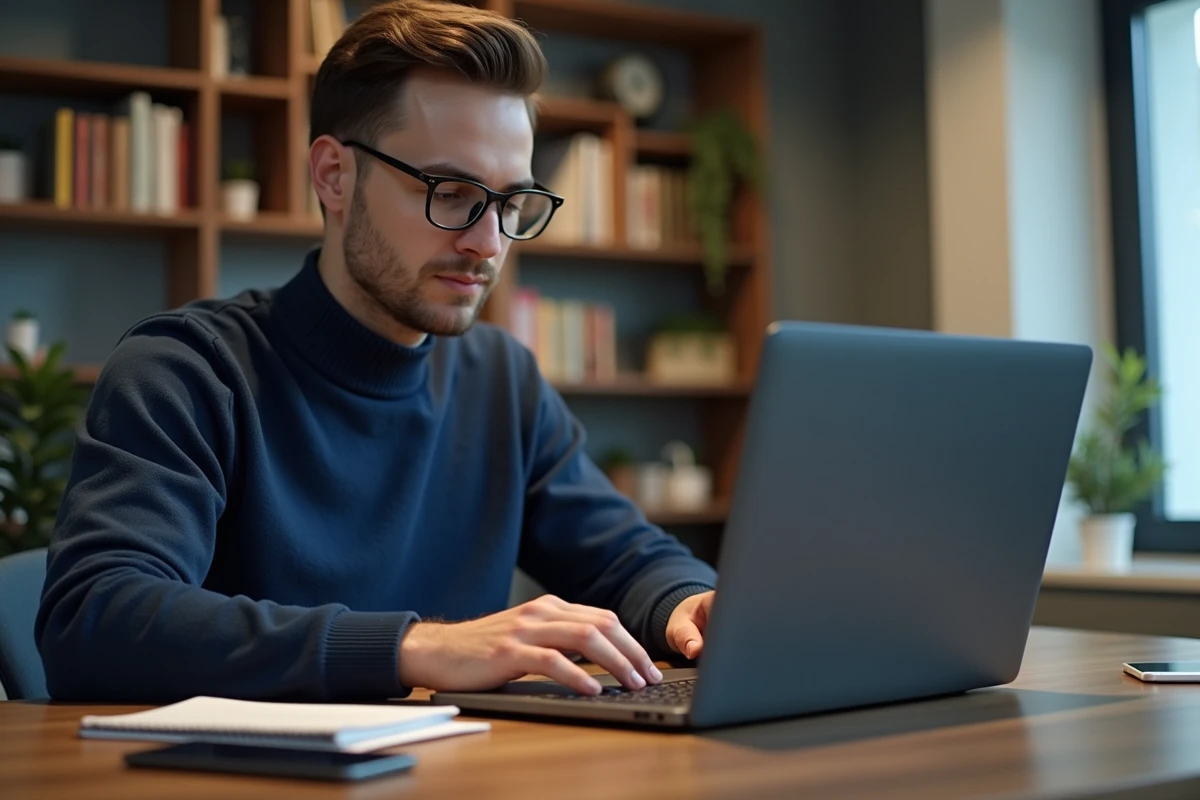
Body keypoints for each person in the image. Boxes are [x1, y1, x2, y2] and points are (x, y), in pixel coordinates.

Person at [35, 0, 718, 703]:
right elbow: (95, 619)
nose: (488, 244)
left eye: (512, 205)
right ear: (334, 175)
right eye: (451, 193)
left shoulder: (500, 379)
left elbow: (623, 557)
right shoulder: (188, 370)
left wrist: (690, 607)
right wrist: (415, 647)